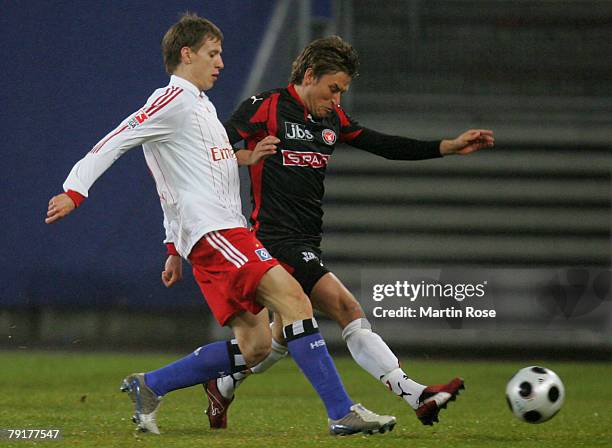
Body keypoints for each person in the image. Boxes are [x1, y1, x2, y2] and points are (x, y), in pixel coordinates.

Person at [45, 16, 397, 437]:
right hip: (217, 233)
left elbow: (175, 179)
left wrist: (174, 244)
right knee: (296, 301)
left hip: (215, 235)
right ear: (186, 54)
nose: (221, 63)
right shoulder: (171, 99)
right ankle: (341, 412)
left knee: (257, 346)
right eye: (213, 54)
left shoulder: (201, 107)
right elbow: (117, 138)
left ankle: (150, 386)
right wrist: (74, 189)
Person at [178, 35, 494, 429]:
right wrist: (245, 157)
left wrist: (446, 146)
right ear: (309, 76)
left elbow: (383, 144)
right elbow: (210, 153)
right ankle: (415, 394)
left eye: (342, 91)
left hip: (307, 239)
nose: (337, 99)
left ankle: (222, 382)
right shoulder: (266, 108)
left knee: (273, 343)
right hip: (272, 239)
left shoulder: (332, 119)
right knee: (346, 308)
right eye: (333, 89)